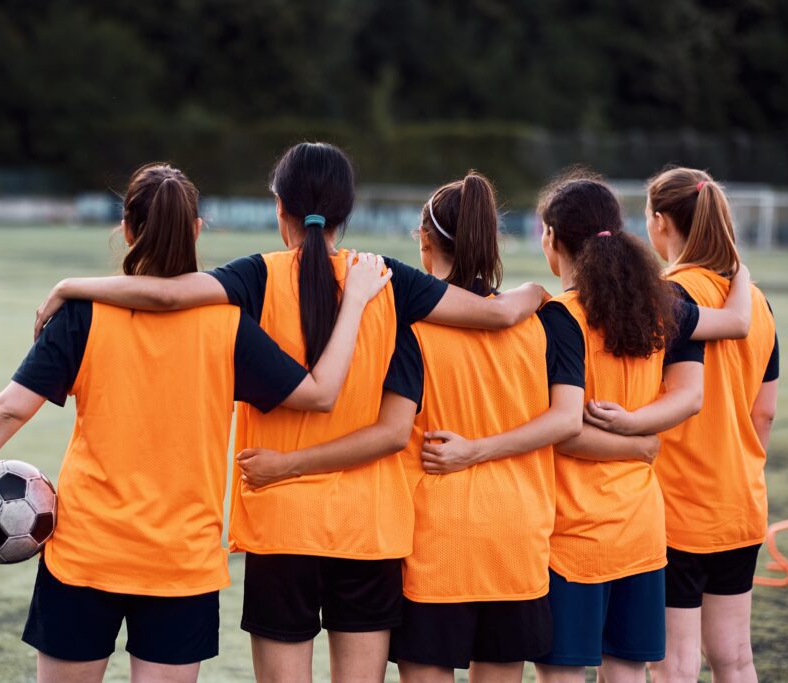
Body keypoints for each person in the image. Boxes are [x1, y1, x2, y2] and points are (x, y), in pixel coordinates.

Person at [31, 142, 549, 682]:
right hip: (369, 529)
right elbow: (498, 314)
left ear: (280, 208)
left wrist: (71, 285)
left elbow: (165, 297)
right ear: (347, 213)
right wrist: (535, 291)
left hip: (280, 521)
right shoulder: (387, 281)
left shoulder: (256, 277)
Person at [237, 171, 749, 683]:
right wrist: (639, 440)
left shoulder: (415, 327)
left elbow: (392, 429)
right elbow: (574, 411)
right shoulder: (541, 319)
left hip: (438, 546)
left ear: (424, 239)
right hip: (521, 542)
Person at [0, 163, 393, 683]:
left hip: (87, 554)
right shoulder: (228, 324)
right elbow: (317, 394)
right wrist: (354, 301)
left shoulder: (83, 315)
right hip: (182, 563)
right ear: (197, 230)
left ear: (126, 229)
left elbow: (9, 409)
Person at [531, 175, 752, 683]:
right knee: (628, 672)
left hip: (573, 533)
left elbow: (561, 428)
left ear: (550, 237)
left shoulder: (558, 318)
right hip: (641, 530)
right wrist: (640, 444)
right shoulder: (659, 308)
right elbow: (733, 327)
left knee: (562, 673)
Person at [618, 168, 776, 683]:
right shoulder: (753, 301)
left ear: (661, 221)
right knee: (734, 658)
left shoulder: (663, 296)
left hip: (676, 505)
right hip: (740, 501)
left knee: (674, 665)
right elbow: (764, 412)